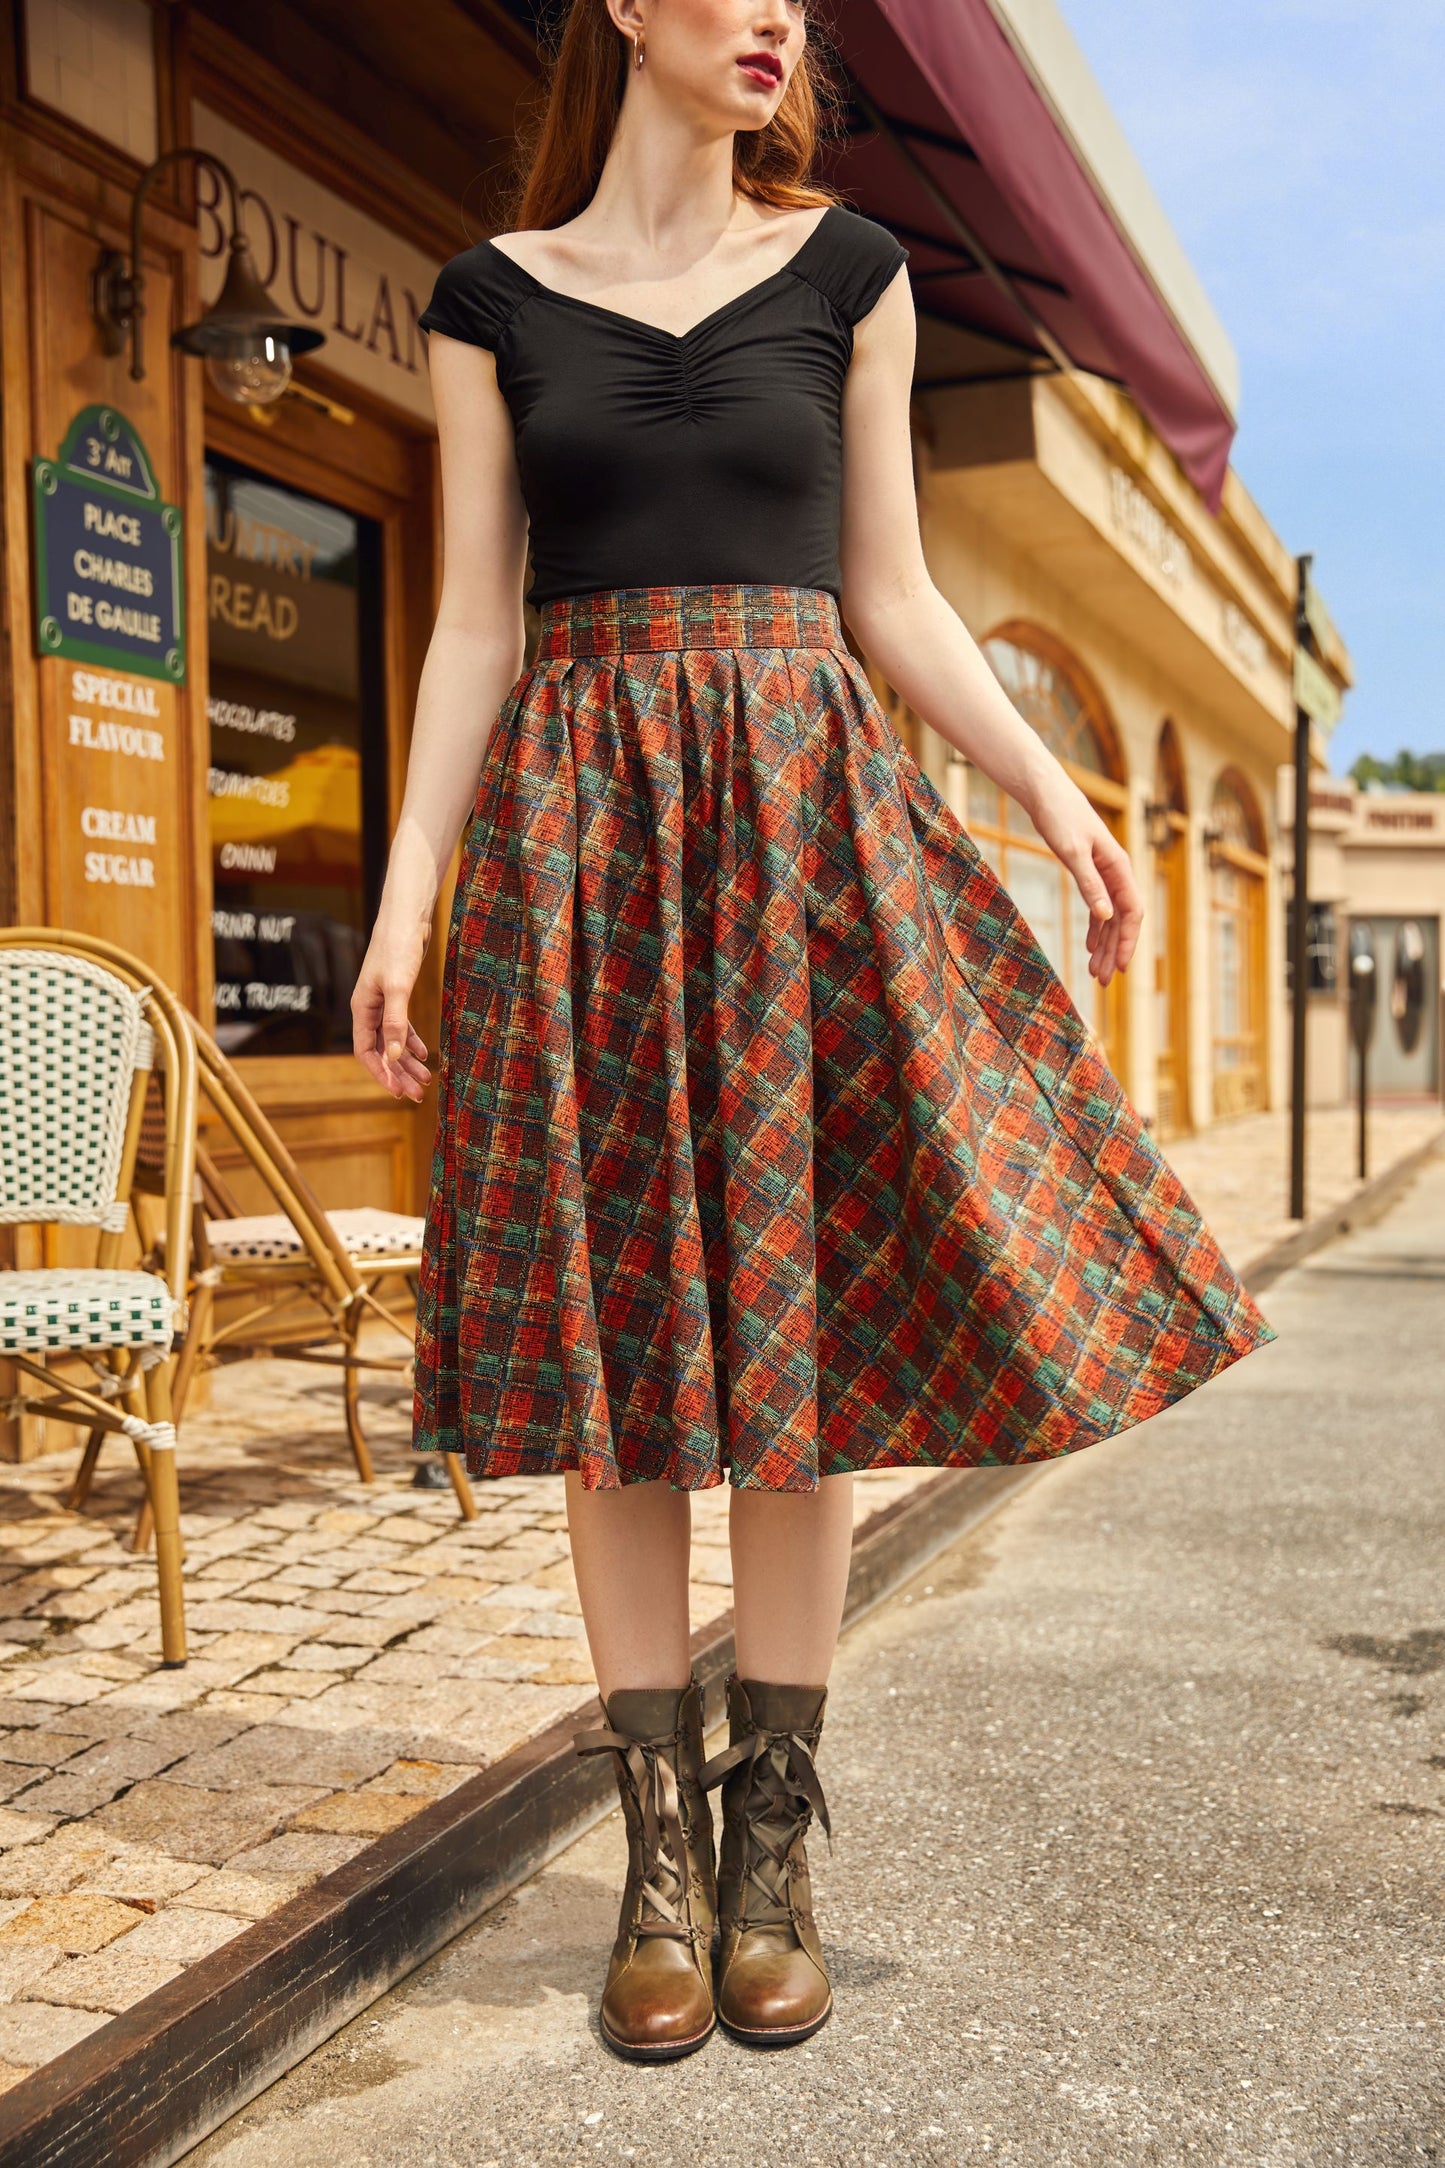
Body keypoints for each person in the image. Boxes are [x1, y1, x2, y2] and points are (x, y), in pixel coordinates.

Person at [352, 0, 1275, 2065]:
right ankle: (655, 1861)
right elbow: (477, 623)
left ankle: (774, 1847)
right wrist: (406, 895)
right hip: (584, 839)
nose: (772, 13)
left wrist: (1053, 791)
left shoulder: (850, 272)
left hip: (798, 835)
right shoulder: (489, 300)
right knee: (620, 1370)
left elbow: (896, 593)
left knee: (795, 1347)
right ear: (622, 9)